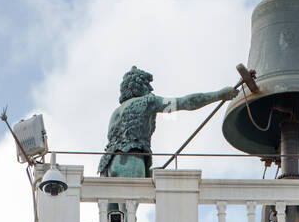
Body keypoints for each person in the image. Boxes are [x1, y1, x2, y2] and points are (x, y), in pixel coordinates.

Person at [98, 65, 238, 178]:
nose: (150, 89)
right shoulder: (148, 101)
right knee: (129, 211)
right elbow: (185, 102)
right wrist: (219, 95)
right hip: (131, 159)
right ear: (141, 85)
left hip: (107, 165)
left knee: (115, 213)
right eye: (147, 85)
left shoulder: (115, 113)